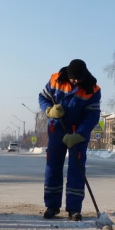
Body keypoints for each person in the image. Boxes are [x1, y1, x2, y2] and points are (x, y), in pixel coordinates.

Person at [38, 59, 101, 221]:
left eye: (78, 79)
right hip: (56, 130)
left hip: (77, 134)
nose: (75, 81)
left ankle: (74, 209)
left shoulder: (92, 89)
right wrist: (49, 111)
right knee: (52, 168)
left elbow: (92, 115)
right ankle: (52, 206)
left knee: (76, 170)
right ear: (68, 74)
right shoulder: (55, 80)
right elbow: (43, 98)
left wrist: (79, 134)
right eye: (73, 78)